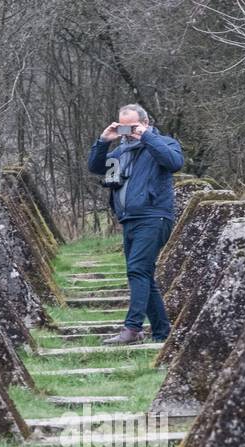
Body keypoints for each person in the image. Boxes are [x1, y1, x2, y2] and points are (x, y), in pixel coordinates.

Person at [87, 104, 184, 345]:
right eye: (123, 126)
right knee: (143, 275)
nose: (127, 131)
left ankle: (132, 329)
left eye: (132, 126)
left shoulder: (163, 143)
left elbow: (174, 162)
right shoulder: (120, 152)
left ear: (145, 122)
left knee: (137, 271)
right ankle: (162, 332)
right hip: (129, 219)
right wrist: (103, 141)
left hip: (154, 217)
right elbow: (95, 167)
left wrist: (146, 136)